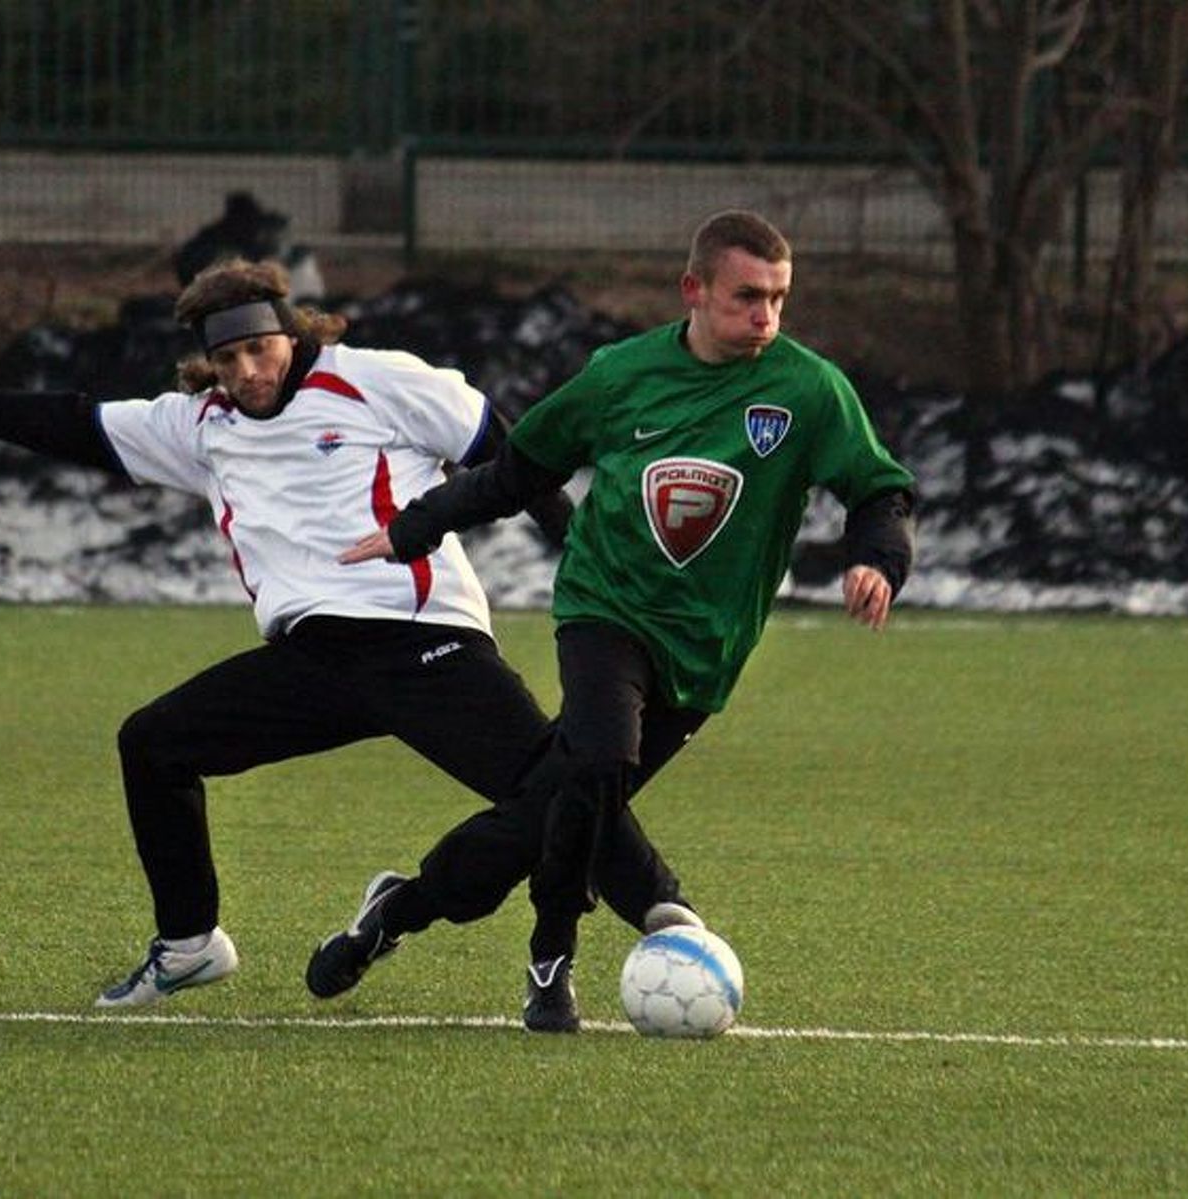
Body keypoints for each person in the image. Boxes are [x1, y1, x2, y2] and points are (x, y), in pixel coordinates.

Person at [0, 257, 695, 1011]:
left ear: (290, 335)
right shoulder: (201, 426)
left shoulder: (378, 380)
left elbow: (515, 454)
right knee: (153, 743)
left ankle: (669, 917)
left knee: (554, 786)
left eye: (260, 348)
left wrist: (580, 558)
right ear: (208, 364)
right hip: (309, 662)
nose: (248, 370)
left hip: (422, 642)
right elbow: (72, 423)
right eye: (228, 359)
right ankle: (189, 945)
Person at [339, 209, 917, 1031]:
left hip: (706, 649)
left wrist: (877, 558)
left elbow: (877, 489)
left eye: (779, 299)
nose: (765, 318)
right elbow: (516, 472)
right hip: (602, 608)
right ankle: (551, 958)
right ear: (693, 290)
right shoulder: (620, 375)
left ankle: (401, 907)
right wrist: (414, 524)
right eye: (746, 297)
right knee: (601, 759)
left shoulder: (807, 389)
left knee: (553, 807)